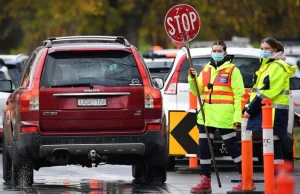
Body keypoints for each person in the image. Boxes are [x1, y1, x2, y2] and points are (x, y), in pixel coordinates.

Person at [188, 41, 250, 193]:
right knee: (203, 149)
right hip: (206, 116)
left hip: (224, 116)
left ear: (225, 53)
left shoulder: (232, 70)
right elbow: (198, 91)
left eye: (219, 50)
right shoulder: (206, 69)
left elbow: (239, 95)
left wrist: (237, 118)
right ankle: (205, 181)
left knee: (232, 148)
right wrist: (192, 79)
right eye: (213, 50)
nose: (215, 53)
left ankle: (246, 178)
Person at [244, 37, 296, 166]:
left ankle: (278, 178)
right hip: (268, 111)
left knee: (275, 146)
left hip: (274, 112)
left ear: (275, 50)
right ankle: (275, 178)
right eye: (262, 49)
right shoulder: (267, 66)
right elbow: (257, 91)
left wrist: (251, 109)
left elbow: (268, 92)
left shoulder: (276, 67)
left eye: (267, 49)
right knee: (271, 146)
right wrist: (248, 107)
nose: (263, 51)